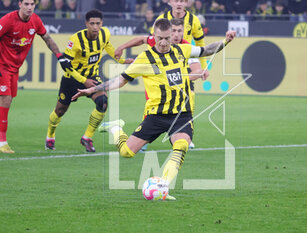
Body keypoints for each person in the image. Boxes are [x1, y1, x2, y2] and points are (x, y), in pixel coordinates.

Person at [72, 18, 236, 199]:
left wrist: (226, 41)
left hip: (181, 114)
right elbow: (120, 80)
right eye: (160, 38)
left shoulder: (183, 50)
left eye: (167, 38)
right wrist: (92, 89)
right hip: (156, 115)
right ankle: (115, 128)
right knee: (126, 152)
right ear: (154, 36)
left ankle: (163, 186)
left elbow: (207, 50)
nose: (164, 42)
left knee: (181, 145)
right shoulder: (144, 58)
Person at [45, 9, 133, 152]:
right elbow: (65, 66)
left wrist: (122, 60)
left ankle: (87, 137)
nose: (95, 27)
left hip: (92, 77)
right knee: (60, 111)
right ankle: (50, 135)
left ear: (101, 23)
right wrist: (83, 80)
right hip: (72, 79)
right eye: (92, 23)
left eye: (98, 23)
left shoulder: (105, 33)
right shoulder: (75, 40)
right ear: (86, 24)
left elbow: (108, 46)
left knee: (103, 102)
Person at [115, 18, 209, 151]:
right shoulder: (156, 41)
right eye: (174, 30)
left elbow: (197, 71)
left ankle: (183, 135)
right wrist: (122, 47)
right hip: (158, 86)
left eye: (179, 31)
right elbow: (141, 39)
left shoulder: (185, 46)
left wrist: (176, 77)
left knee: (188, 99)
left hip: (182, 87)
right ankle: (145, 138)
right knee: (153, 108)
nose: (176, 34)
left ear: (183, 32)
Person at [0, 0, 69, 153]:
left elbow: (48, 39)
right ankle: (2, 142)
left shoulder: (35, 20)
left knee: (8, 100)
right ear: (19, 4)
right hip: (2, 66)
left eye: (32, 4)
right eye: (26, 4)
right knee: (5, 99)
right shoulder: (8, 20)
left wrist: (60, 56)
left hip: (14, 68)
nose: (29, 7)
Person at [152, 0, 206, 70]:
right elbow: (152, 41)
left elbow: (200, 44)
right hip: (165, 63)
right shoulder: (161, 19)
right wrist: (153, 64)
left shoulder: (193, 20)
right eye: (176, 1)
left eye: (181, 1)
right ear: (170, 2)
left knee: (192, 75)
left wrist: (204, 66)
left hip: (185, 63)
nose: (179, 4)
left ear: (186, 3)